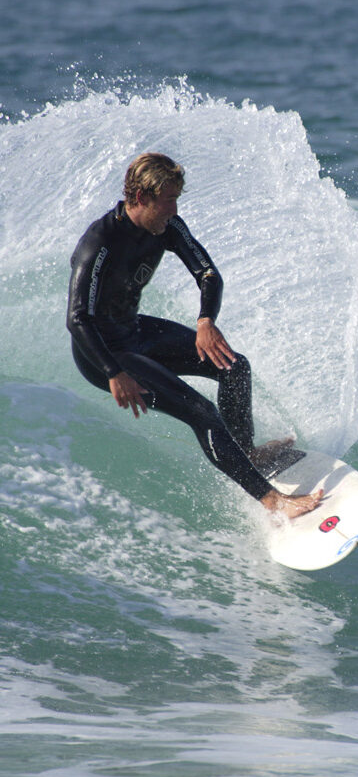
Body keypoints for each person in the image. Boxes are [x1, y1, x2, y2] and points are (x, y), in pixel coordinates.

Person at [67, 152, 323, 519]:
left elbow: (208, 274)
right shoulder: (100, 242)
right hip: (102, 353)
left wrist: (206, 320)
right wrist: (113, 372)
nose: (174, 209)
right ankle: (274, 502)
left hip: (134, 331)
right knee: (201, 412)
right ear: (141, 198)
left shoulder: (167, 226)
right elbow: (77, 319)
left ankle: (245, 454)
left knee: (234, 367)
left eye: (176, 200)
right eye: (168, 200)